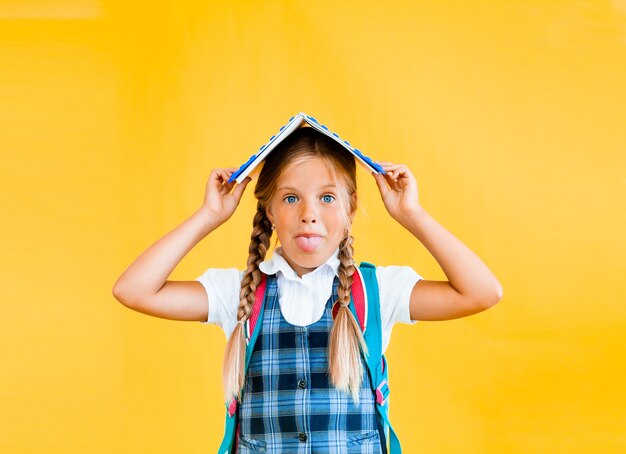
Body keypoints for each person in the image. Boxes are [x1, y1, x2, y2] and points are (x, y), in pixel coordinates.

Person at [112, 126, 503, 453]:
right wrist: (209, 216)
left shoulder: (379, 290)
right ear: (269, 211)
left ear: (350, 211)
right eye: (291, 197)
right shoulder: (238, 293)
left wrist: (411, 215)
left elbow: (482, 292)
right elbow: (134, 290)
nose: (309, 213)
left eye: (328, 197)